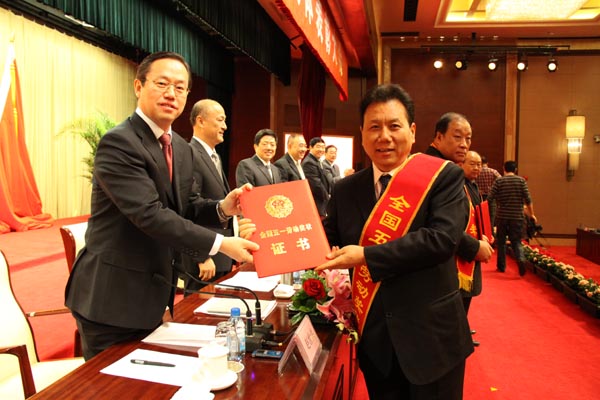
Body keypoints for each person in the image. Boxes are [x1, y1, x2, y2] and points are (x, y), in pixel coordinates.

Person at [64, 52, 258, 361]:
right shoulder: (120, 142)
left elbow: (187, 206)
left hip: (152, 296)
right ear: (138, 86)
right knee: (113, 385)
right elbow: (150, 214)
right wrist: (221, 244)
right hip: (111, 299)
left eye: (180, 87)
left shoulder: (180, 147)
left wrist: (223, 208)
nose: (171, 93)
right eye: (162, 83)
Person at [315, 84, 473, 399]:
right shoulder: (345, 189)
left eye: (394, 126)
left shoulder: (443, 177)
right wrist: (271, 233)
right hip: (377, 344)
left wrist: (366, 256)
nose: (384, 136)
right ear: (362, 134)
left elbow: (441, 240)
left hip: (432, 341)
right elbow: (324, 239)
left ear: (412, 132)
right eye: (374, 127)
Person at [425, 113, 493, 347]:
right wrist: (475, 247)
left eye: (468, 138)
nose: (464, 144)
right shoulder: (441, 170)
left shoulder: (444, 167)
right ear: (438, 137)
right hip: (439, 267)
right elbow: (441, 226)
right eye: (457, 137)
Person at [182, 99, 234, 292]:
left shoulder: (214, 156)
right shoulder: (189, 153)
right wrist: (201, 255)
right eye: (220, 120)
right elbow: (189, 207)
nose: (225, 126)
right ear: (201, 121)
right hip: (205, 258)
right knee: (197, 308)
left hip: (221, 253)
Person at [487, 160, 537, 276]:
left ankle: (501, 266)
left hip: (502, 216)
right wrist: (532, 214)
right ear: (515, 169)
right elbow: (528, 200)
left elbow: (490, 198)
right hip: (517, 216)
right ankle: (521, 259)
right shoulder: (521, 181)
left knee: (501, 242)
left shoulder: (499, 181)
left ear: (504, 168)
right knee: (516, 241)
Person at [302, 137, 330, 218]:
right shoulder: (309, 162)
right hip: (316, 203)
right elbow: (316, 185)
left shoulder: (317, 161)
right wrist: (328, 199)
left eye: (323, 147)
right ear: (310, 147)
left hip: (321, 203)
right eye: (318, 147)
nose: (321, 149)